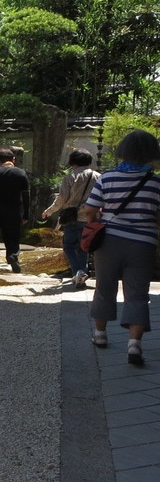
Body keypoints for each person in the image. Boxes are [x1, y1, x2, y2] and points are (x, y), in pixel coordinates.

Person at [83, 129, 160, 365]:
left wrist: (94, 224)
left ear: (123, 152)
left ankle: (100, 335)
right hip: (144, 244)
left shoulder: (107, 178)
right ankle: (134, 346)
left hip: (109, 242)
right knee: (137, 294)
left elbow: (90, 209)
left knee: (104, 288)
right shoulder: (156, 182)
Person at [41, 149, 101, 289]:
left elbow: (62, 199)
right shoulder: (98, 176)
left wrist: (49, 212)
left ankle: (78, 271)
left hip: (72, 218)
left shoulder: (70, 177)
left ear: (73, 162)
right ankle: (81, 273)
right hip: (91, 217)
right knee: (83, 248)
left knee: (68, 246)